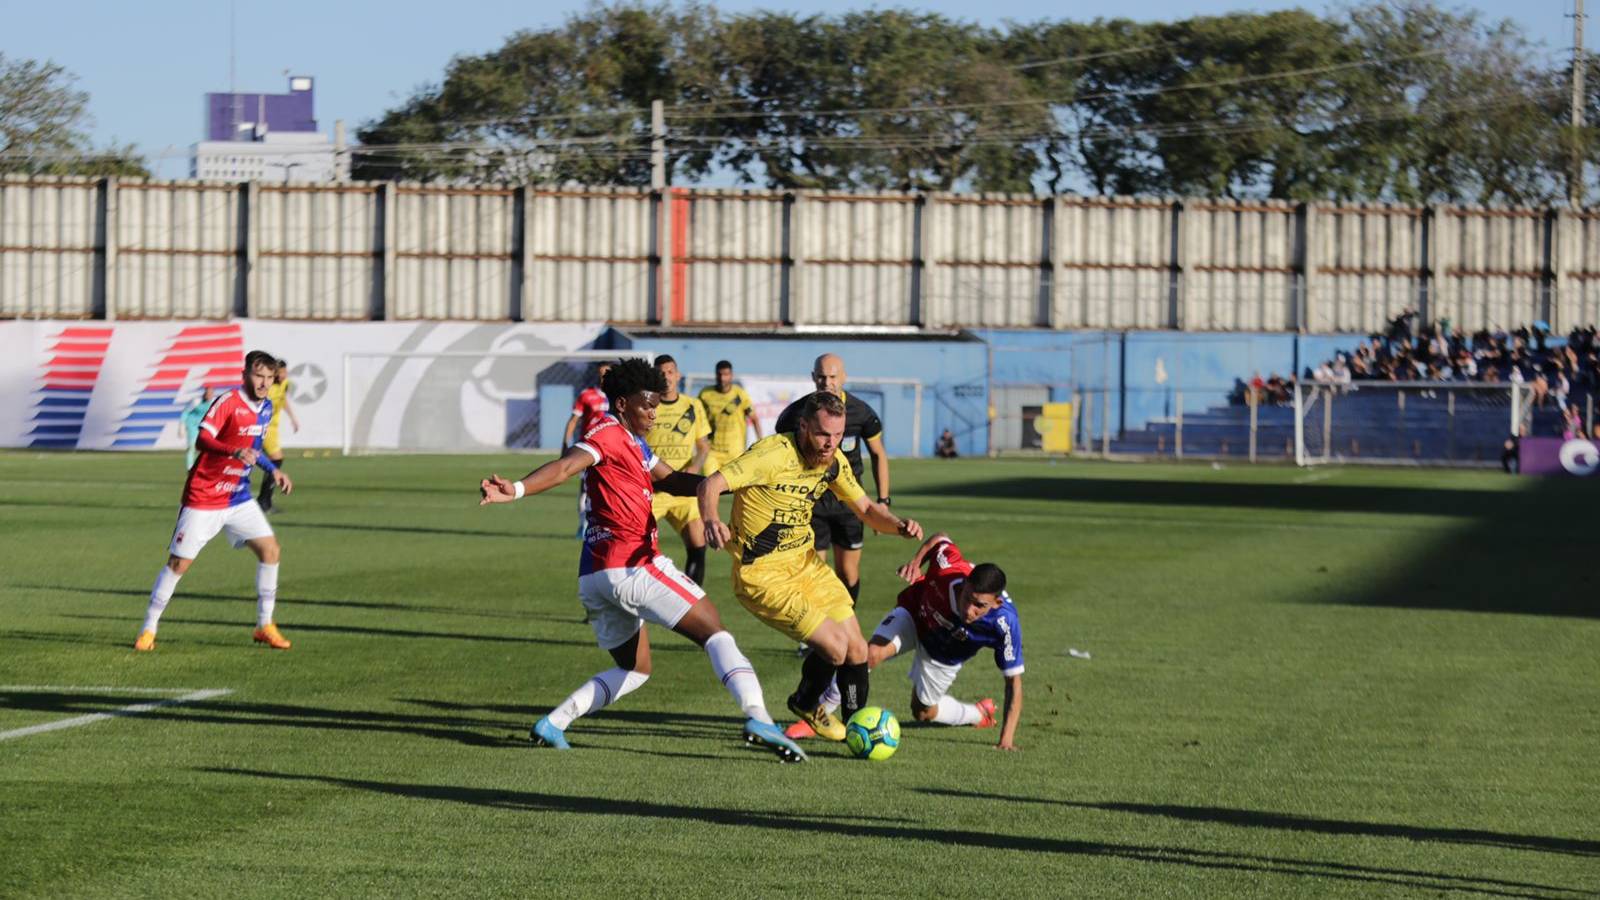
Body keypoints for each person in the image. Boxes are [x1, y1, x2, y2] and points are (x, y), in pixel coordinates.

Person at [477, 358, 806, 762]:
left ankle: (554, 723)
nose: (653, 412)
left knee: (635, 669)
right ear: (621, 404)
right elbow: (565, 467)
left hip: (595, 576)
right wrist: (517, 488)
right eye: (646, 405)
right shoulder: (607, 433)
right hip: (632, 565)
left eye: (656, 405)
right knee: (716, 632)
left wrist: (726, 484)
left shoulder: (635, 442)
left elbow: (669, 479)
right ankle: (758, 717)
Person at [697, 390, 922, 742]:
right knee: (834, 647)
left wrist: (899, 525)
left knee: (858, 649)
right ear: (803, 426)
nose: (829, 443)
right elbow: (711, 484)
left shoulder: (832, 461)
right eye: (821, 434)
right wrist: (711, 519)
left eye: (837, 436)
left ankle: (859, 729)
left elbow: (865, 510)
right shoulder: (771, 454)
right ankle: (805, 702)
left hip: (806, 567)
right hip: (763, 576)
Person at [790, 532, 1025, 749]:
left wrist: (1006, 739)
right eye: (967, 598)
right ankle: (818, 715)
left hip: (945, 652)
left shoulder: (1005, 624)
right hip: (915, 614)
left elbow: (1013, 681)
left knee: (923, 712)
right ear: (964, 584)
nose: (969, 609)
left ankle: (977, 714)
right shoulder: (948, 568)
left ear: (996, 604)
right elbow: (940, 539)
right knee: (869, 654)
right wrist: (915, 563)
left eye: (979, 606)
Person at [134, 351, 294, 652]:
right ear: (245, 374)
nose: (263, 383)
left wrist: (274, 471)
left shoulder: (266, 407)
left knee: (270, 550)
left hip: (238, 496)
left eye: (269, 378)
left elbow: (254, 450)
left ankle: (264, 625)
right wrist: (232, 451)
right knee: (178, 564)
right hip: (205, 496)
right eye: (258, 376)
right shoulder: (228, 402)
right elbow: (202, 440)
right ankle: (148, 629)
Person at [774, 354, 890, 608]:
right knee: (812, 574)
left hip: (850, 505)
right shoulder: (795, 415)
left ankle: (847, 632)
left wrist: (883, 501)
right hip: (810, 505)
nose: (827, 382)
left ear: (844, 377)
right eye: (822, 376)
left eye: (833, 376)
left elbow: (878, 454)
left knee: (848, 573)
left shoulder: (861, 412)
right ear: (813, 377)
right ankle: (812, 640)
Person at [645, 355, 713, 585]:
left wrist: (694, 467)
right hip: (653, 490)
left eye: (670, 372)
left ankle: (691, 605)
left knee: (698, 544)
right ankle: (613, 604)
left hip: (682, 490)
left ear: (678, 375)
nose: (666, 377)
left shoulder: (693, 406)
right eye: (661, 373)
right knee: (632, 546)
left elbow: (704, 446)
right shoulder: (646, 406)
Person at [564, 361, 613, 540]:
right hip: (588, 450)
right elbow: (573, 421)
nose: (602, 377)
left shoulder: (619, 396)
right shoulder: (587, 395)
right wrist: (565, 444)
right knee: (586, 488)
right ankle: (583, 525)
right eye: (600, 373)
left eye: (606, 373)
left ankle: (607, 526)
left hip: (612, 451)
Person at [697, 360, 762, 475]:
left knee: (733, 487)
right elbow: (697, 418)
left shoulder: (740, 395)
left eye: (726, 375)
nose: (722, 378)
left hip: (734, 451)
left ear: (731, 375)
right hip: (712, 450)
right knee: (708, 483)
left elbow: (754, 418)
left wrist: (760, 441)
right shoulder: (705, 394)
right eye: (719, 374)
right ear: (716, 375)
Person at [256, 359, 299, 513]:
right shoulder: (267, 387)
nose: (284, 375)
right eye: (281, 372)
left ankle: (264, 500)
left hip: (274, 427)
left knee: (276, 461)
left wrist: (293, 417)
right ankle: (263, 500)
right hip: (265, 427)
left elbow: (283, 399)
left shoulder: (285, 383)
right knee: (276, 459)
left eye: (285, 372)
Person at [181, 386, 216, 471]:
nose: (209, 395)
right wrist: (181, 425)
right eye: (207, 393)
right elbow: (186, 412)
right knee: (192, 447)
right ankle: (190, 467)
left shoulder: (214, 402)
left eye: (211, 393)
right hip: (192, 425)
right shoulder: (196, 401)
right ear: (204, 393)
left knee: (207, 447)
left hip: (205, 426)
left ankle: (204, 466)